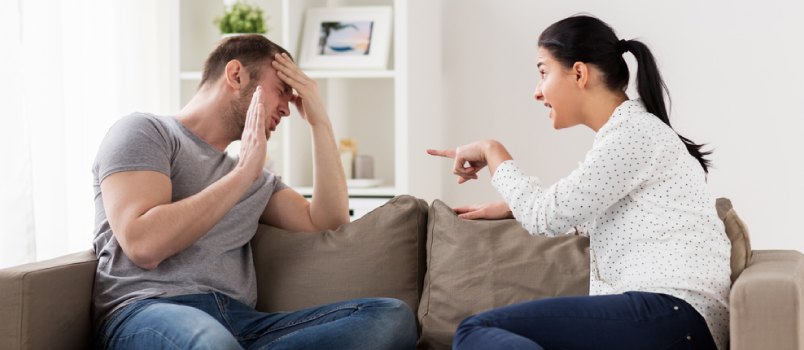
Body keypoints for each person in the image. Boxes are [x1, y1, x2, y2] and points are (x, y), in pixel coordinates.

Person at [91, 35, 416, 350]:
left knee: (391, 317)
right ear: (236, 75)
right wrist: (243, 173)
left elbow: (329, 220)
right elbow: (143, 245)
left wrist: (320, 122)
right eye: (282, 91)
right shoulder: (147, 133)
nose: (288, 110)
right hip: (147, 311)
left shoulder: (255, 177)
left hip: (242, 323)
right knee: (211, 342)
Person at [428, 15, 731, 350]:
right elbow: (594, 216)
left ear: (579, 73)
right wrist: (513, 206)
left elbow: (545, 217)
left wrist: (492, 151)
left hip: (671, 314)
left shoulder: (632, 136)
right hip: (672, 318)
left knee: (475, 329)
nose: (537, 91)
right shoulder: (630, 135)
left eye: (543, 72)